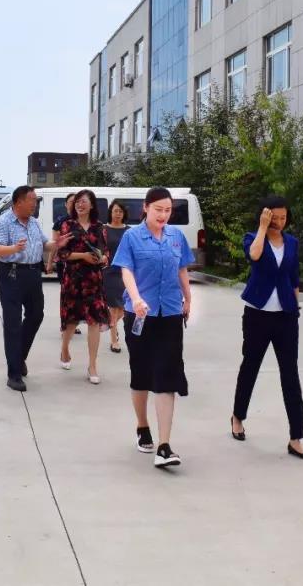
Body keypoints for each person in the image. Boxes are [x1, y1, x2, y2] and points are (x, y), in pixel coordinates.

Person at [111, 187, 193, 469]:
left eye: (168, 210)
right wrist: (135, 298)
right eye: (158, 209)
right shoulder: (132, 237)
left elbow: (182, 269)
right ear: (145, 208)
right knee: (142, 374)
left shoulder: (176, 236)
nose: (163, 215)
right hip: (140, 314)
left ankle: (164, 445)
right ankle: (142, 426)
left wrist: (188, 298)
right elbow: (126, 270)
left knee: (167, 375)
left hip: (170, 312)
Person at [230, 195, 303, 461]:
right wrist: (263, 228)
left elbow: (294, 277)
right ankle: (238, 417)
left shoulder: (292, 242)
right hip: (257, 315)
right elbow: (254, 256)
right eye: (274, 217)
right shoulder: (253, 238)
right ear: (265, 215)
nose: (279, 221)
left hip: (286, 316)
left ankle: (296, 438)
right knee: (250, 367)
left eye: (283, 217)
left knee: (290, 375)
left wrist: (295, 307)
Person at [0, 185, 72, 392]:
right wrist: (14, 248)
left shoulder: (34, 222)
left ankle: (19, 357)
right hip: (11, 274)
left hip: (33, 273)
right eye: (32, 200)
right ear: (19, 202)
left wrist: (57, 244)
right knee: (13, 323)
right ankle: (14, 374)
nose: (35, 204)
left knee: (36, 315)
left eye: (36, 200)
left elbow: (44, 244)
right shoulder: (4, 222)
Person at [56, 189, 110, 384]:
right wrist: (83, 256)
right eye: (77, 201)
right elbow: (62, 254)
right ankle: (64, 349)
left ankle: (92, 365)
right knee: (71, 321)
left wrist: (103, 258)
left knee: (94, 322)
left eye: (83, 201)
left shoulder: (99, 227)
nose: (79, 204)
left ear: (92, 205)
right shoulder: (67, 225)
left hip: (93, 281)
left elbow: (106, 252)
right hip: (73, 280)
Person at [48, 193, 82, 335]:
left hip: (82, 264)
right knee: (67, 295)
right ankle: (65, 325)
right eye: (71, 201)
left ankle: (74, 324)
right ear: (66, 204)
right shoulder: (60, 222)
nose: (73, 204)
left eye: (76, 201)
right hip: (65, 264)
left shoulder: (83, 220)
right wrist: (49, 263)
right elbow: (55, 244)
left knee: (78, 296)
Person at [102, 200, 131, 353]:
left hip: (126, 271)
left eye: (120, 211)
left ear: (124, 213)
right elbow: (99, 248)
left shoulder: (129, 231)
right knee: (113, 307)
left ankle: (111, 324)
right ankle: (114, 340)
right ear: (110, 212)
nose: (118, 214)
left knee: (124, 307)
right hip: (110, 271)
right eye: (115, 211)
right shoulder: (104, 229)